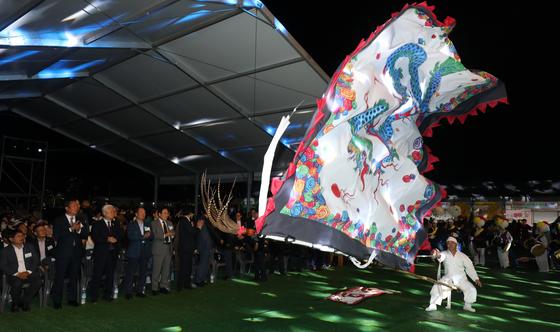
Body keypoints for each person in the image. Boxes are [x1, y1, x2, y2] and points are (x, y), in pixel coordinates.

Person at [425, 237, 482, 312]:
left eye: (452, 243)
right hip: (448, 279)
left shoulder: (463, 256)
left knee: (471, 289)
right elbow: (440, 256)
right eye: (448, 243)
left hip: (461, 279)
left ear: (456, 244)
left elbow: (469, 267)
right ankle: (432, 305)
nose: (450, 245)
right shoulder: (445, 253)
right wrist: (437, 254)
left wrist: (476, 278)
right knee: (437, 286)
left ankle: (467, 305)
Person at [52, 199, 88, 309]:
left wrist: (78, 230)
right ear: (67, 208)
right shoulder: (59, 220)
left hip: (76, 252)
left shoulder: (80, 219)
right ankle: (57, 301)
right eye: (73, 206)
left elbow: (85, 233)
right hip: (63, 253)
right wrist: (71, 229)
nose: (76, 207)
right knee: (60, 277)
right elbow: (56, 235)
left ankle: (72, 299)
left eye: (77, 206)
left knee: (74, 277)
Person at [0, 229, 41, 312]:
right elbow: (3, 265)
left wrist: (28, 271)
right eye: (18, 236)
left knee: (38, 281)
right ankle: (15, 303)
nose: (21, 237)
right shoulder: (5, 251)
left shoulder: (30, 247)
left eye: (22, 236)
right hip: (14, 274)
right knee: (17, 283)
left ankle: (25, 302)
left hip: (28, 272)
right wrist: (16, 273)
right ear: (11, 239)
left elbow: (36, 260)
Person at [89, 204, 123, 302]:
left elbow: (121, 233)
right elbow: (94, 236)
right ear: (104, 213)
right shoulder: (97, 223)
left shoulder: (116, 223)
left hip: (112, 253)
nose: (113, 213)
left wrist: (115, 238)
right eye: (111, 211)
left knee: (110, 274)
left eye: (113, 211)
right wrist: (107, 239)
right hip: (101, 253)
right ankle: (94, 296)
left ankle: (107, 295)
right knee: (97, 274)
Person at [124, 207, 153, 299]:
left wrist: (149, 235)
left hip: (144, 251)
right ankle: (128, 292)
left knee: (143, 272)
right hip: (134, 251)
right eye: (141, 212)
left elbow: (152, 236)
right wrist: (143, 236)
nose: (143, 214)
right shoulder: (131, 224)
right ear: (136, 214)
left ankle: (140, 290)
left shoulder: (147, 224)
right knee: (130, 272)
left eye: (144, 212)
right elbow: (130, 236)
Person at [175, 211, 200, 290]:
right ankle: (180, 285)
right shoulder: (184, 221)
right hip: (185, 248)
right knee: (184, 267)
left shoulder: (187, 221)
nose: (193, 215)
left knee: (188, 267)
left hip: (187, 248)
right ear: (190, 213)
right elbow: (192, 232)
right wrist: (198, 228)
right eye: (192, 214)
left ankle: (186, 284)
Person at [151, 207, 174, 295]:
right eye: (164, 213)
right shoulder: (154, 223)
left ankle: (163, 286)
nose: (166, 214)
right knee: (156, 270)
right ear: (159, 214)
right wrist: (166, 234)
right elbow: (156, 235)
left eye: (167, 213)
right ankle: (154, 288)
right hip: (158, 249)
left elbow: (173, 232)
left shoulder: (170, 222)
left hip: (168, 249)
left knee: (166, 270)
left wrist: (172, 235)